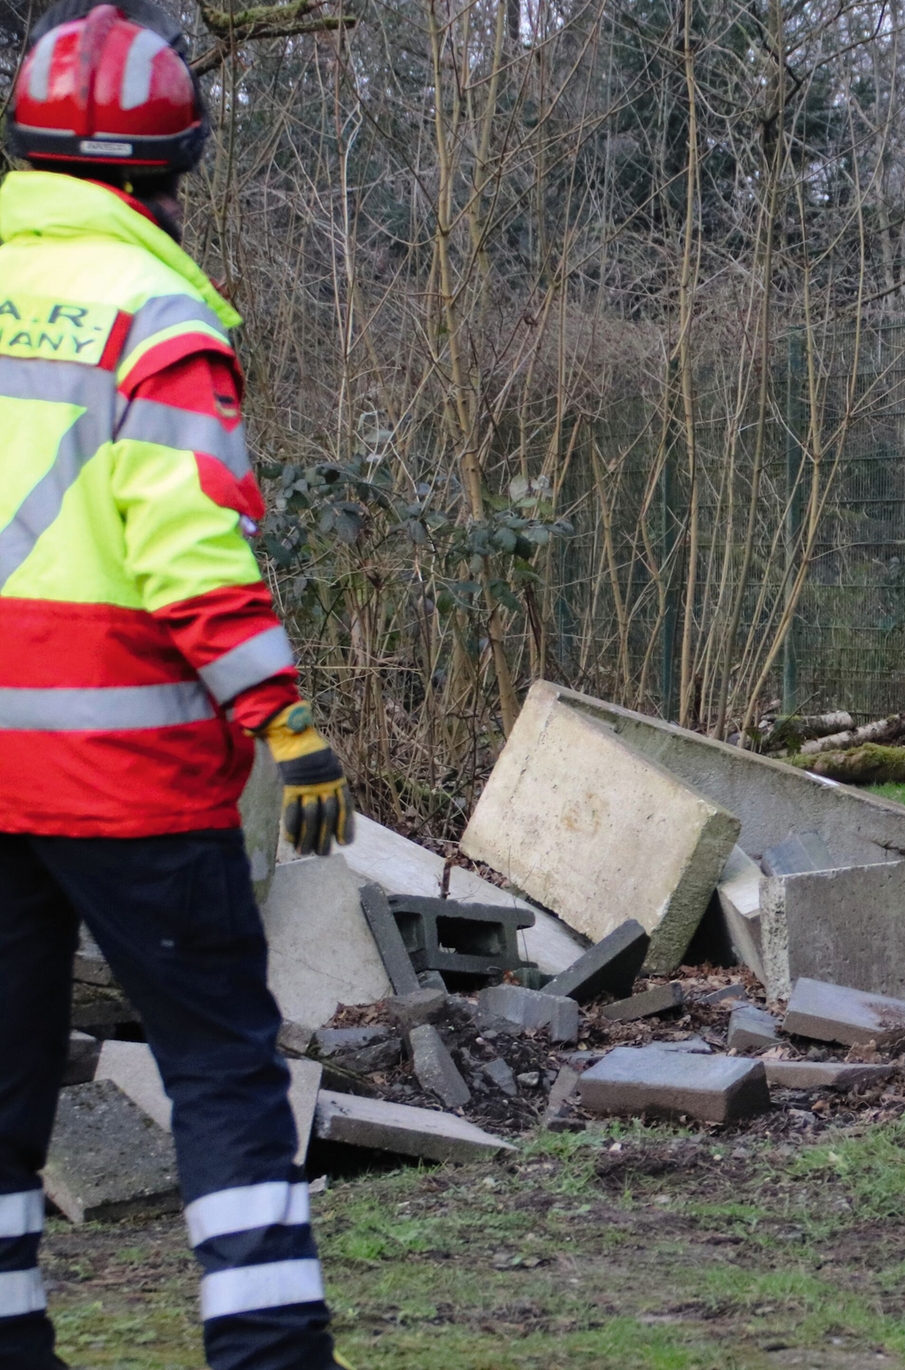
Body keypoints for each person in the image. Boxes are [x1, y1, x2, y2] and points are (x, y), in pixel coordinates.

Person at [0, 3, 355, 1366]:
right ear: (167, 175)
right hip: (129, 780)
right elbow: (192, 557)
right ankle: (267, 1355)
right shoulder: (157, 320)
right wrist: (291, 726)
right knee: (218, 1066)